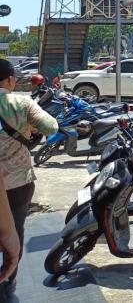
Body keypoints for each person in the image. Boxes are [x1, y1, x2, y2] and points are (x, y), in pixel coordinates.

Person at [0, 59, 58, 298]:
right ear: (10, 80)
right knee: (16, 229)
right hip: (18, 183)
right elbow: (51, 127)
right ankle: (8, 280)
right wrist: (28, 127)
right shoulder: (21, 102)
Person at [0, 172, 20, 285]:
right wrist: (7, 232)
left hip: (17, 182)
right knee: (18, 227)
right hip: (17, 180)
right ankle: (8, 280)